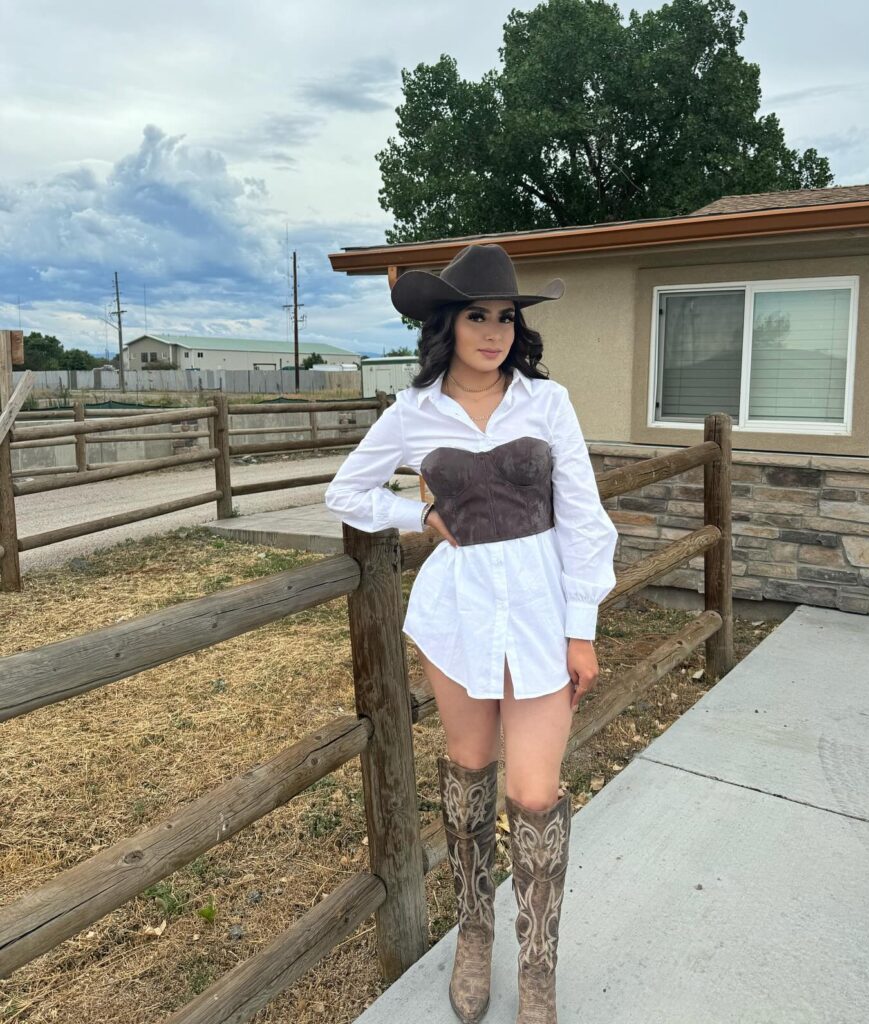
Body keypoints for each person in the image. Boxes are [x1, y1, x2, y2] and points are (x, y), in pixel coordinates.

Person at [324, 242, 619, 1024]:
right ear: (447, 324)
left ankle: (539, 971)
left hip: (539, 613)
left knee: (533, 791)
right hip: (454, 615)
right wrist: (413, 515)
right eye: (477, 316)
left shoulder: (545, 404)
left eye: (505, 317)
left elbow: (585, 520)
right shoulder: (411, 413)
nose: (493, 332)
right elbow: (345, 491)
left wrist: (580, 629)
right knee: (467, 771)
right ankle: (473, 933)